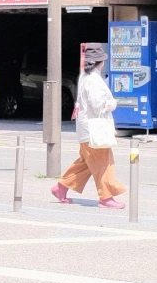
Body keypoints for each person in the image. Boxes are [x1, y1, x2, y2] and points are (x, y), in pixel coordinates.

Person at [52, 43, 126, 208]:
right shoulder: (94, 79)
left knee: (86, 162)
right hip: (95, 129)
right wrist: (112, 103)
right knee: (103, 163)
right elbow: (98, 105)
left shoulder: (84, 76)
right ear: (100, 62)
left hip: (85, 129)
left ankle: (61, 187)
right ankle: (106, 197)